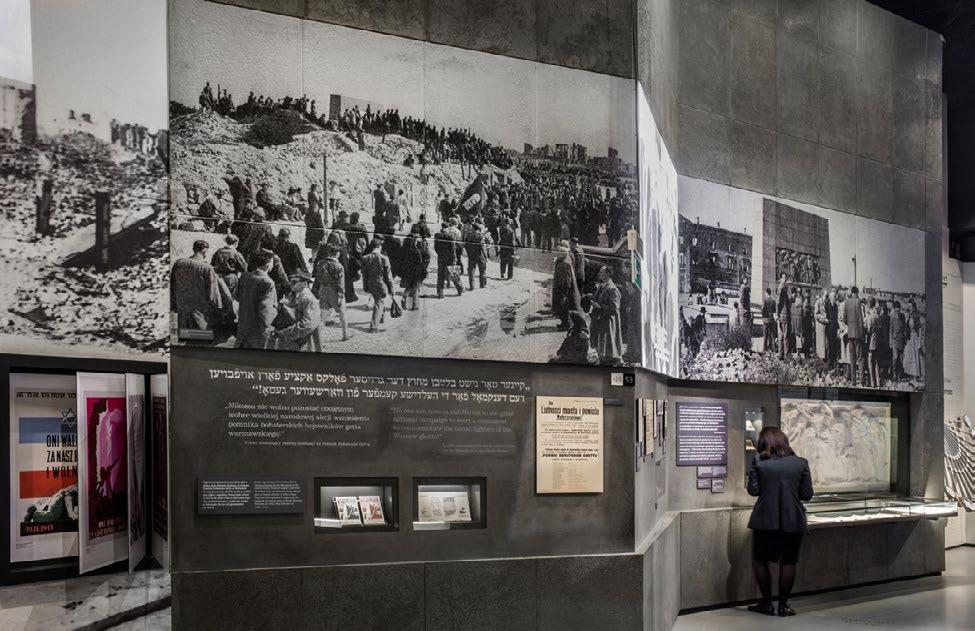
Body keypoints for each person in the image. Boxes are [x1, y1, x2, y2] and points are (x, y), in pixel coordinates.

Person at [746, 427, 814, 618]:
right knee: (789, 561)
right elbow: (806, 495)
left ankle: (767, 603)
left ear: (763, 443)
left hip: (765, 519)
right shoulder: (801, 463)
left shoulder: (759, 461)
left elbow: (753, 490)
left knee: (760, 560)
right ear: (784, 441)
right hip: (793, 520)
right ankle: (784, 606)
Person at [171, 239, 223, 331]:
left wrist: (174, 304)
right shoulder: (206, 267)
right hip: (200, 309)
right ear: (204, 250)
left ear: (193, 249)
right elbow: (213, 290)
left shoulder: (178, 263)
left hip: (183, 307)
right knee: (200, 336)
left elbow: (172, 285)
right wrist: (217, 307)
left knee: (185, 334)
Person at [235, 250, 278, 349]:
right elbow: (265, 309)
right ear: (267, 264)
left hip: (243, 324)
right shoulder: (267, 282)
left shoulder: (245, 276)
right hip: (259, 328)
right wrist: (268, 326)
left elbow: (237, 296)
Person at [273, 271, 321, 351]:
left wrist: (283, 333)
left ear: (304, 283)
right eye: (290, 281)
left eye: (294, 282)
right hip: (290, 341)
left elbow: (308, 325)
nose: (291, 284)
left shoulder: (309, 299)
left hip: (301, 343)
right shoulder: (294, 295)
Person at [313, 244, 349, 341]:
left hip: (323, 289)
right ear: (337, 254)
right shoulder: (338, 266)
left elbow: (317, 277)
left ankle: (317, 337)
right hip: (335, 291)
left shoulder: (321, 263)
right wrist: (341, 296)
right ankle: (345, 335)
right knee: (342, 313)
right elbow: (341, 284)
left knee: (323, 316)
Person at [589, 266, 623, 366]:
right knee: (602, 339)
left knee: (608, 339)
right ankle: (603, 358)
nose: (599, 274)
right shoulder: (603, 286)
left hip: (608, 319)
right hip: (601, 317)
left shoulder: (612, 289)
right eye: (600, 272)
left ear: (608, 274)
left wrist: (600, 306)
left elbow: (615, 307)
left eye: (602, 272)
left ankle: (609, 359)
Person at [360, 238, 395, 332]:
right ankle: (374, 327)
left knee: (378, 300)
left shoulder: (365, 258)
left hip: (370, 283)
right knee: (379, 302)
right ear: (380, 246)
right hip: (381, 284)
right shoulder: (384, 258)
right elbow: (389, 276)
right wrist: (392, 289)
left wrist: (365, 286)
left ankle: (381, 318)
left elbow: (364, 274)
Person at [839, 286, 864, 385]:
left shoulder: (847, 302)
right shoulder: (858, 301)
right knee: (860, 358)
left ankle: (853, 381)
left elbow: (844, 318)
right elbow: (860, 319)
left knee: (852, 358)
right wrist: (862, 333)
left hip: (850, 333)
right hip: (857, 333)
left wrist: (849, 324)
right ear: (856, 292)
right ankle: (861, 381)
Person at [433, 222, 463, 298]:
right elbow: (453, 250)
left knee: (440, 276)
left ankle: (440, 293)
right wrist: (454, 259)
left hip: (441, 257)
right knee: (455, 275)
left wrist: (440, 254)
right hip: (450, 258)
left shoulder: (437, 236)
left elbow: (436, 248)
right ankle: (460, 289)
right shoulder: (451, 237)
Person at [465, 222, 488, 290]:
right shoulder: (481, 235)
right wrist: (485, 256)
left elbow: (466, 245)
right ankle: (482, 284)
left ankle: (471, 286)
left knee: (471, 271)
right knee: (482, 270)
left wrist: (468, 253)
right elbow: (482, 247)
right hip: (480, 255)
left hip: (471, 255)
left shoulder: (468, 234)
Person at [775, 274, 790, 360]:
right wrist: (777, 315)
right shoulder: (782, 289)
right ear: (781, 279)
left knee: (781, 336)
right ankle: (786, 355)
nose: (785, 280)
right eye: (783, 278)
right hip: (783, 315)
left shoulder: (782, 289)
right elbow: (778, 303)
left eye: (785, 278)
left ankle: (781, 354)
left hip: (781, 315)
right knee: (785, 336)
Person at [761, 288, 776, 353]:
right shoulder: (773, 300)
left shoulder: (765, 300)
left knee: (765, 335)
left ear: (766, 293)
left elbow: (762, 310)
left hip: (765, 319)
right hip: (771, 319)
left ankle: (764, 349)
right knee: (771, 335)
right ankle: (771, 348)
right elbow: (774, 310)